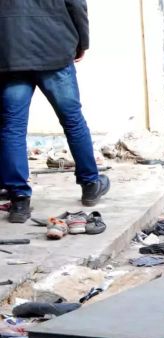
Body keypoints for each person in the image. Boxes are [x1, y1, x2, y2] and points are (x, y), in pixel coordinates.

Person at [0, 0, 110, 224]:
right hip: (55, 49)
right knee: (72, 120)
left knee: (13, 127)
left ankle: (19, 199)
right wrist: (82, 42)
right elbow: (76, 4)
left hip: (12, 53)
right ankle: (90, 184)